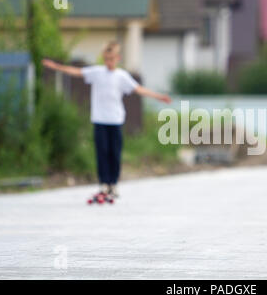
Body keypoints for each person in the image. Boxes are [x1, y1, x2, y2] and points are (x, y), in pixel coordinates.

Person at [42, 41, 171, 198]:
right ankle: (103, 184)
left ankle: (113, 184)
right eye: (106, 59)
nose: (109, 62)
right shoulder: (97, 72)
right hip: (99, 120)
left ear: (117, 58)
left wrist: (158, 96)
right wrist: (56, 67)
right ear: (104, 59)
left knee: (114, 153)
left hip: (116, 120)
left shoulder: (122, 76)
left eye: (112, 59)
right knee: (102, 152)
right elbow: (76, 72)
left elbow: (138, 89)